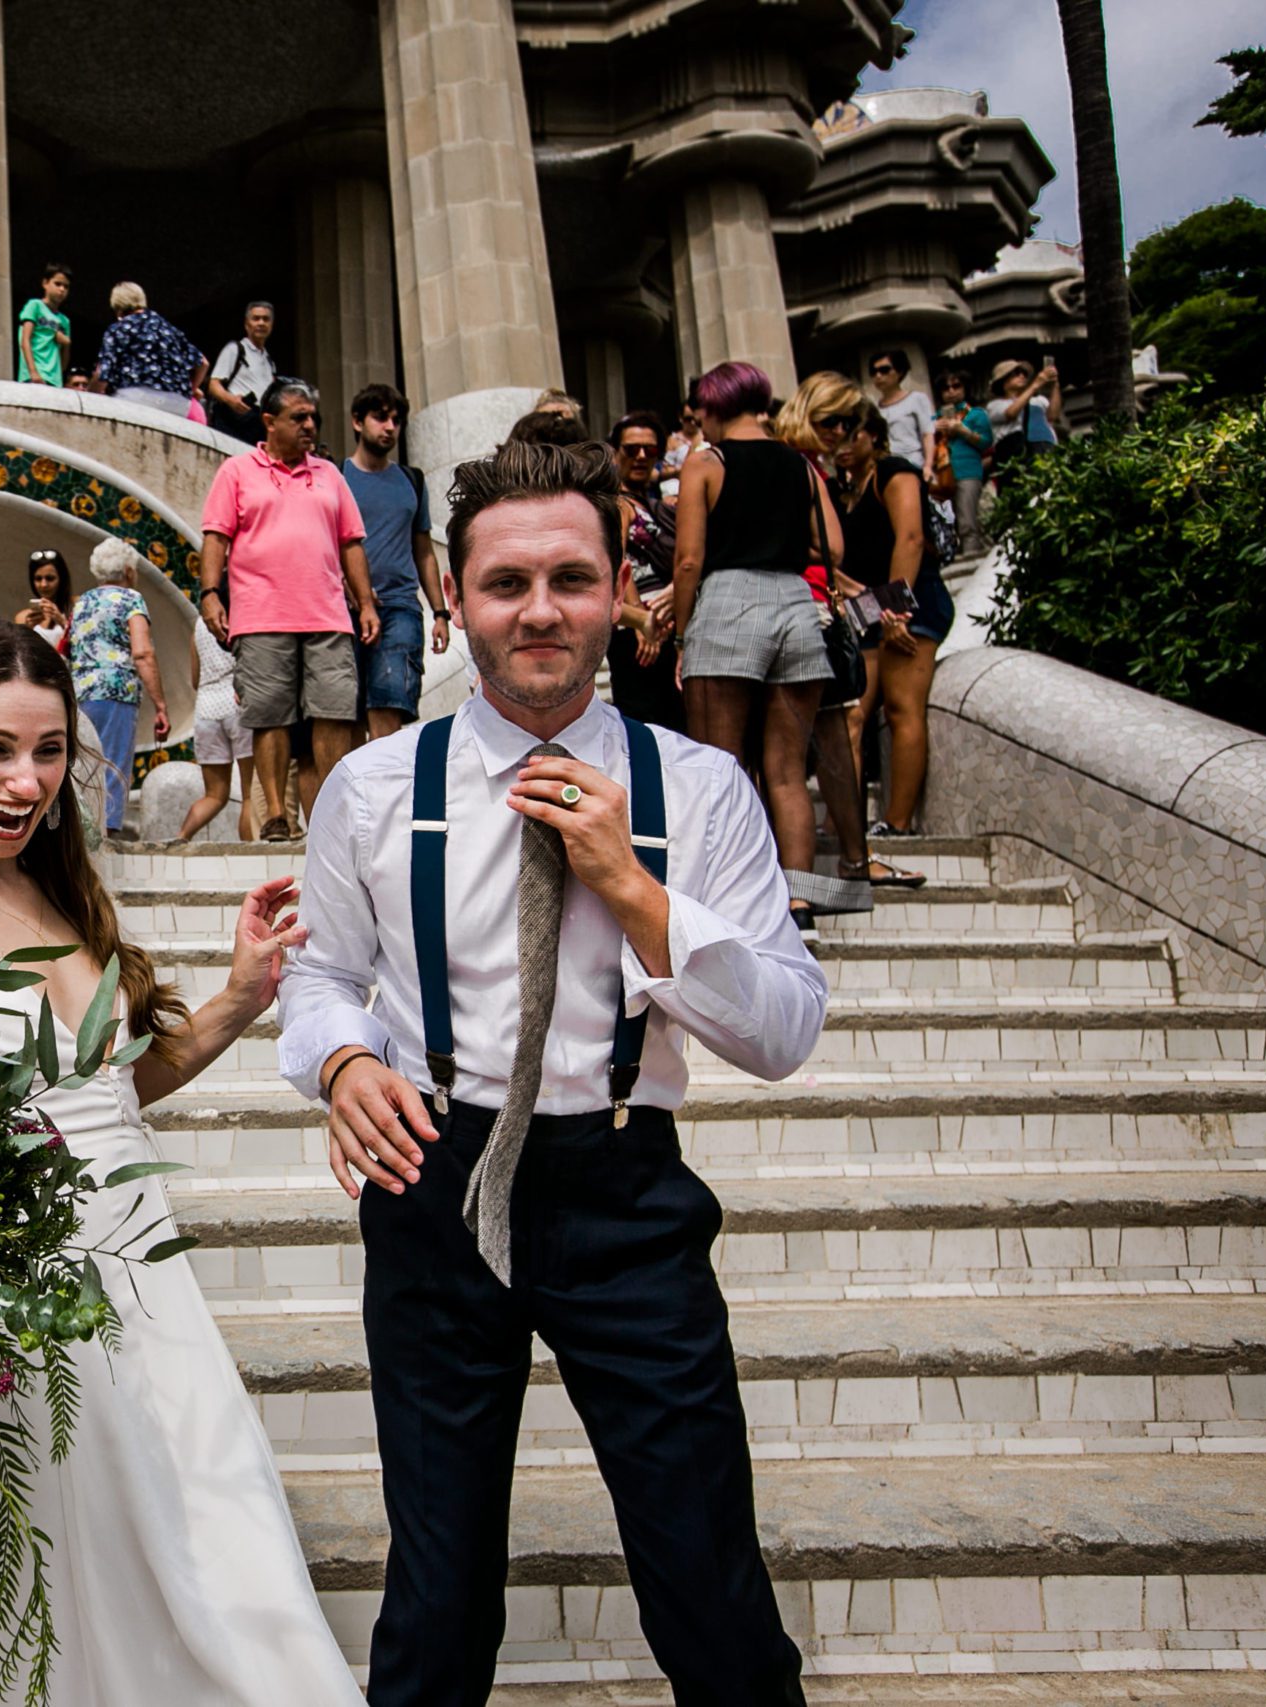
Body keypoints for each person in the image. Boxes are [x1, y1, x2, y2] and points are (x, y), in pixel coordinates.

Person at [283, 436, 825, 1707]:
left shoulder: (701, 790)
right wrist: (343, 1059)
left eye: (572, 579)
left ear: (622, 594)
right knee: (437, 1584)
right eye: (506, 582)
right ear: (453, 598)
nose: (539, 611)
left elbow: (785, 1032)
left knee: (707, 1574)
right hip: (435, 1182)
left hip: (623, 1190)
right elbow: (316, 979)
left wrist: (637, 894)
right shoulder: (368, 789)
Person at [0, 622, 364, 1707]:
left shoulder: (65, 896)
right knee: (89, 1592)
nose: (28, 781)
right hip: (18, 1314)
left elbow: (104, 1095)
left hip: (149, 1283)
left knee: (223, 1549)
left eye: (51, 750)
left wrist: (240, 996)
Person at [671, 360, 844, 936]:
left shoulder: (707, 462)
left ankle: (729, 900)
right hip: (795, 604)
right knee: (788, 773)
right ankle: (800, 904)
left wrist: (681, 632)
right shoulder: (801, 464)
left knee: (719, 767)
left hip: (728, 602)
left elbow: (689, 558)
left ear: (715, 409)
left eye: (702, 415)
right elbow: (834, 547)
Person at [196, 378, 379, 841]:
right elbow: (215, 537)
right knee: (270, 714)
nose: (310, 425)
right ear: (269, 422)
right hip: (261, 615)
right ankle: (277, 814)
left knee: (335, 710)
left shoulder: (329, 475)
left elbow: (351, 543)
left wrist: (366, 604)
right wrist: (210, 593)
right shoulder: (237, 471)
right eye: (299, 417)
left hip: (328, 614)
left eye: (313, 417)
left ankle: (331, 814)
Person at [775, 375, 918, 896]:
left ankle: (838, 860)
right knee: (834, 731)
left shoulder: (826, 470)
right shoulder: (802, 469)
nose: (840, 433)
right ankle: (841, 865)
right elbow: (827, 550)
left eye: (849, 424)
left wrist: (886, 605)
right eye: (831, 421)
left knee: (839, 728)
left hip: (833, 606)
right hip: (812, 611)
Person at [832, 404, 953, 840]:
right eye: (835, 437)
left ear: (872, 434)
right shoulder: (842, 488)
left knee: (903, 708)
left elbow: (911, 538)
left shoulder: (894, 472)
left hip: (912, 604)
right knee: (851, 716)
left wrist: (896, 611)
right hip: (870, 612)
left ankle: (898, 823)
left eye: (850, 435)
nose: (841, 447)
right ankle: (843, 824)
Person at [339, 383, 449, 740]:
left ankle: (386, 793)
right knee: (348, 717)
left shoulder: (411, 480)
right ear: (358, 422)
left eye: (397, 420)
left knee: (388, 708)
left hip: (400, 608)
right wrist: (346, 583)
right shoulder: (337, 477)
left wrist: (440, 613)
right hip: (344, 610)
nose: (389, 427)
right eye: (380, 417)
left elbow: (424, 552)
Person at [70, 538, 169, 840]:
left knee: (85, 763)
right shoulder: (130, 600)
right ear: (128, 570)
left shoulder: (82, 603)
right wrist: (161, 704)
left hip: (82, 691)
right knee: (112, 762)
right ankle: (108, 833)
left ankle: (83, 828)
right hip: (116, 691)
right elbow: (142, 652)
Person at [605, 410, 682, 733]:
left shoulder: (650, 501)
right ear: (615, 452)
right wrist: (638, 620)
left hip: (664, 626)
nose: (640, 456)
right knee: (647, 725)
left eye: (649, 450)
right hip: (638, 631)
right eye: (631, 449)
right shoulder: (618, 503)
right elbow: (617, 558)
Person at [180, 603, 252, 842]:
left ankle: (180, 838)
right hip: (238, 702)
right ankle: (254, 852)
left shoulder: (200, 624)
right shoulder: (241, 614)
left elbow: (194, 677)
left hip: (206, 709)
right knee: (250, 795)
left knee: (214, 795)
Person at [92, 282, 209, 420]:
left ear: (118, 308)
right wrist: (191, 389)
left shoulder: (119, 328)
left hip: (134, 398)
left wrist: (90, 397)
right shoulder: (169, 329)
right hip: (179, 405)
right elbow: (203, 363)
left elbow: (103, 374)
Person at [934, 369, 992, 557]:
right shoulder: (934, 419)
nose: (951, 391)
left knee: (967, 520)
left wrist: (963, 430)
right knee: (946, 522)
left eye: (956, 386)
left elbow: (986, 442)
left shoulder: (976, 414)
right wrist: (933, 430)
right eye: (946, 388)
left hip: (968, 471)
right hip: (942, 475)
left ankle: (972, 559)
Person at [206, 302, 277, 442]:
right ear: (246, 324)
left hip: (259, 424)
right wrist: (230, 400)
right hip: (236, 421)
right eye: (256, 318)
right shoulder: (235, 349)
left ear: (271, 325)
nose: (261, 323)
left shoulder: (269, 361)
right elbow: (213, 385)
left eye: (266, 319)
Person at [987, 357, 1063, 486]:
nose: (1022, 376)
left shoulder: (1038, 400)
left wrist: (1055, 386)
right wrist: (1035, 385)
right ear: (1003, 381)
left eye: (1024, 374)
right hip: (1019, 455)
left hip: (1047, 446)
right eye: (1016, 374)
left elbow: (1053, 415)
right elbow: (1011, 413)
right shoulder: (995, 405)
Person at [868, 349, 933, 464]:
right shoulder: (873, 408)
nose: (878, 376)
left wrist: (928, 465)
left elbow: (927, 434)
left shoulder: (917, 399)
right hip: (886, 467)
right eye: (873, 372)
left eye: (884, 370)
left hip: (914, 464)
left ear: (900, 371)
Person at [17, 262, 71, 386]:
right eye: (57, 284)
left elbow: (64, 363)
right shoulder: (34, 306)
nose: (62, 289)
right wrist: (33, 372)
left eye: (66, 286)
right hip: (33, 376)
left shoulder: (64, 321)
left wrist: (67, 344)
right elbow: (25, 339)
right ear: (45, 283)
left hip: (55, 380)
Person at [12, 547, 71, 653]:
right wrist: (27, 631)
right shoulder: (22, 617)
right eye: (38, 579)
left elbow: (86, 644)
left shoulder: (75, 608)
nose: (44, 584)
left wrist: (63, 623)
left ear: (61, 579)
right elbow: (18, 653)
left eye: (50, 578)